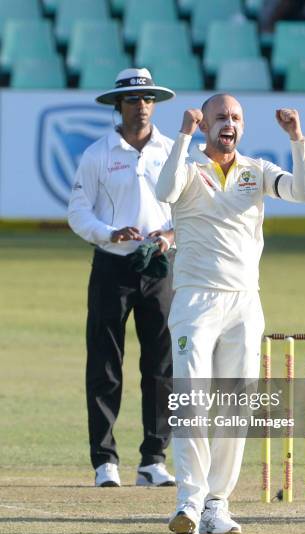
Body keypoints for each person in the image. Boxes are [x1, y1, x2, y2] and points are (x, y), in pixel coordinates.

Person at [156, 94, 305, 534]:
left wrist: (297, 139)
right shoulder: (188, 170)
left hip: (245, 302)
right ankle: (188, 501)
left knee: (235, 406)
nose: (229, 123)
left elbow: (303, 192)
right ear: (205, 124)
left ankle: (215, 504)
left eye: (236, 118)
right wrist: (182, 137)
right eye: (220, 117)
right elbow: (162, 191)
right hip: (195, 300)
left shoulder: (257, 170)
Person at [68, 68, 177, 488]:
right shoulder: (98, 153)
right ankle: (104, 461)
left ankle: (153, 459)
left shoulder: (172, 150)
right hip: (113, 266)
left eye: (148, 98)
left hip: (159, 266)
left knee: (161, 365)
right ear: (118, 105)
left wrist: (169, 235)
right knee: (105, 364)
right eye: (133, 99)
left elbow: (189, 212)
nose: (142, 105)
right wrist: (110, 232)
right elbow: (79, 212)